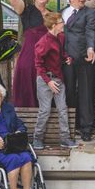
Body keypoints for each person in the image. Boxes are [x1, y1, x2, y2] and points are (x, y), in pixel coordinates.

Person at [33, 13, 77, 150]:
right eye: (61, 22)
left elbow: (61, 54)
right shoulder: (43, 42)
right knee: (45, 110)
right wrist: (48, 82)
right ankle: (37, 139)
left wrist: (67, 58)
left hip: (58, 78)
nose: (63, 23)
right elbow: (38, 66)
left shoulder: (61, 37)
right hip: (45, 80)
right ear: (53, 26)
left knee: (62, 109)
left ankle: (65, 139)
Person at [62, 0, 95, 142]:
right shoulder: (62, 12)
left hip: (83, 58)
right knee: (68, 92)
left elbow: (90, 31)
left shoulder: (90, 13)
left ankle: (86, 128)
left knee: (85, 94)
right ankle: (71, 125)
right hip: (65, 59)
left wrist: (91, 48)